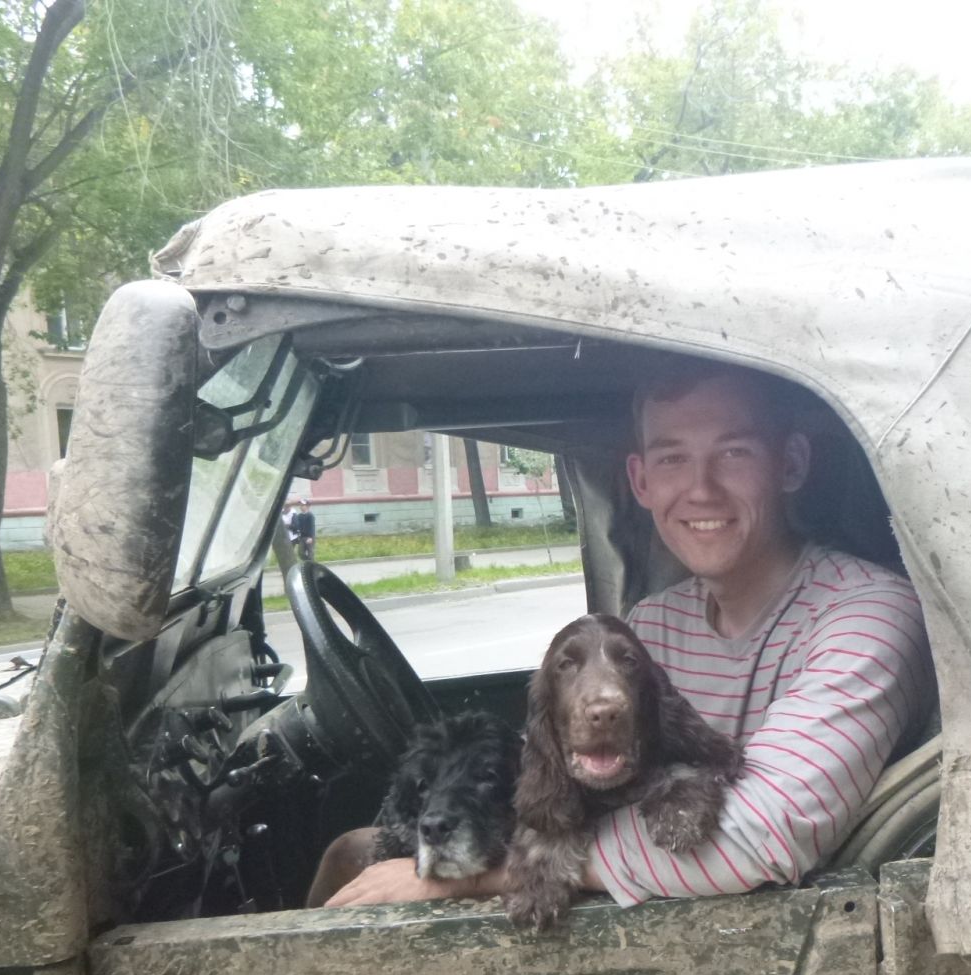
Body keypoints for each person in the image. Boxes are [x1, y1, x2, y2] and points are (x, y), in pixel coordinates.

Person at [322, 366, 934, 908]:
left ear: (791, 464)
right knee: (351, 851)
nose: (701, 489)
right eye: (672, 459)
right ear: (641, 481)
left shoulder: (866, 614)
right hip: (660, 907)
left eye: (734, 452)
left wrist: (476, 878)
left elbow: (760, 835)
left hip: (762, 935)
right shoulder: (653, 624)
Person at [287, 497, 316, 561]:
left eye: (303, 505)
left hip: (309, 537)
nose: (301, 507)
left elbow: (312, 527)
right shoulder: (299, 516)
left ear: (308, 506)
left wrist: (311, 537)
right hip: (302, 537)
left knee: (310, 553)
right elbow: (297, 526)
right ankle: (308, 562)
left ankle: (311, 564)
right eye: (300, 505)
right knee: (300, 553)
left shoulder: (310, 515)